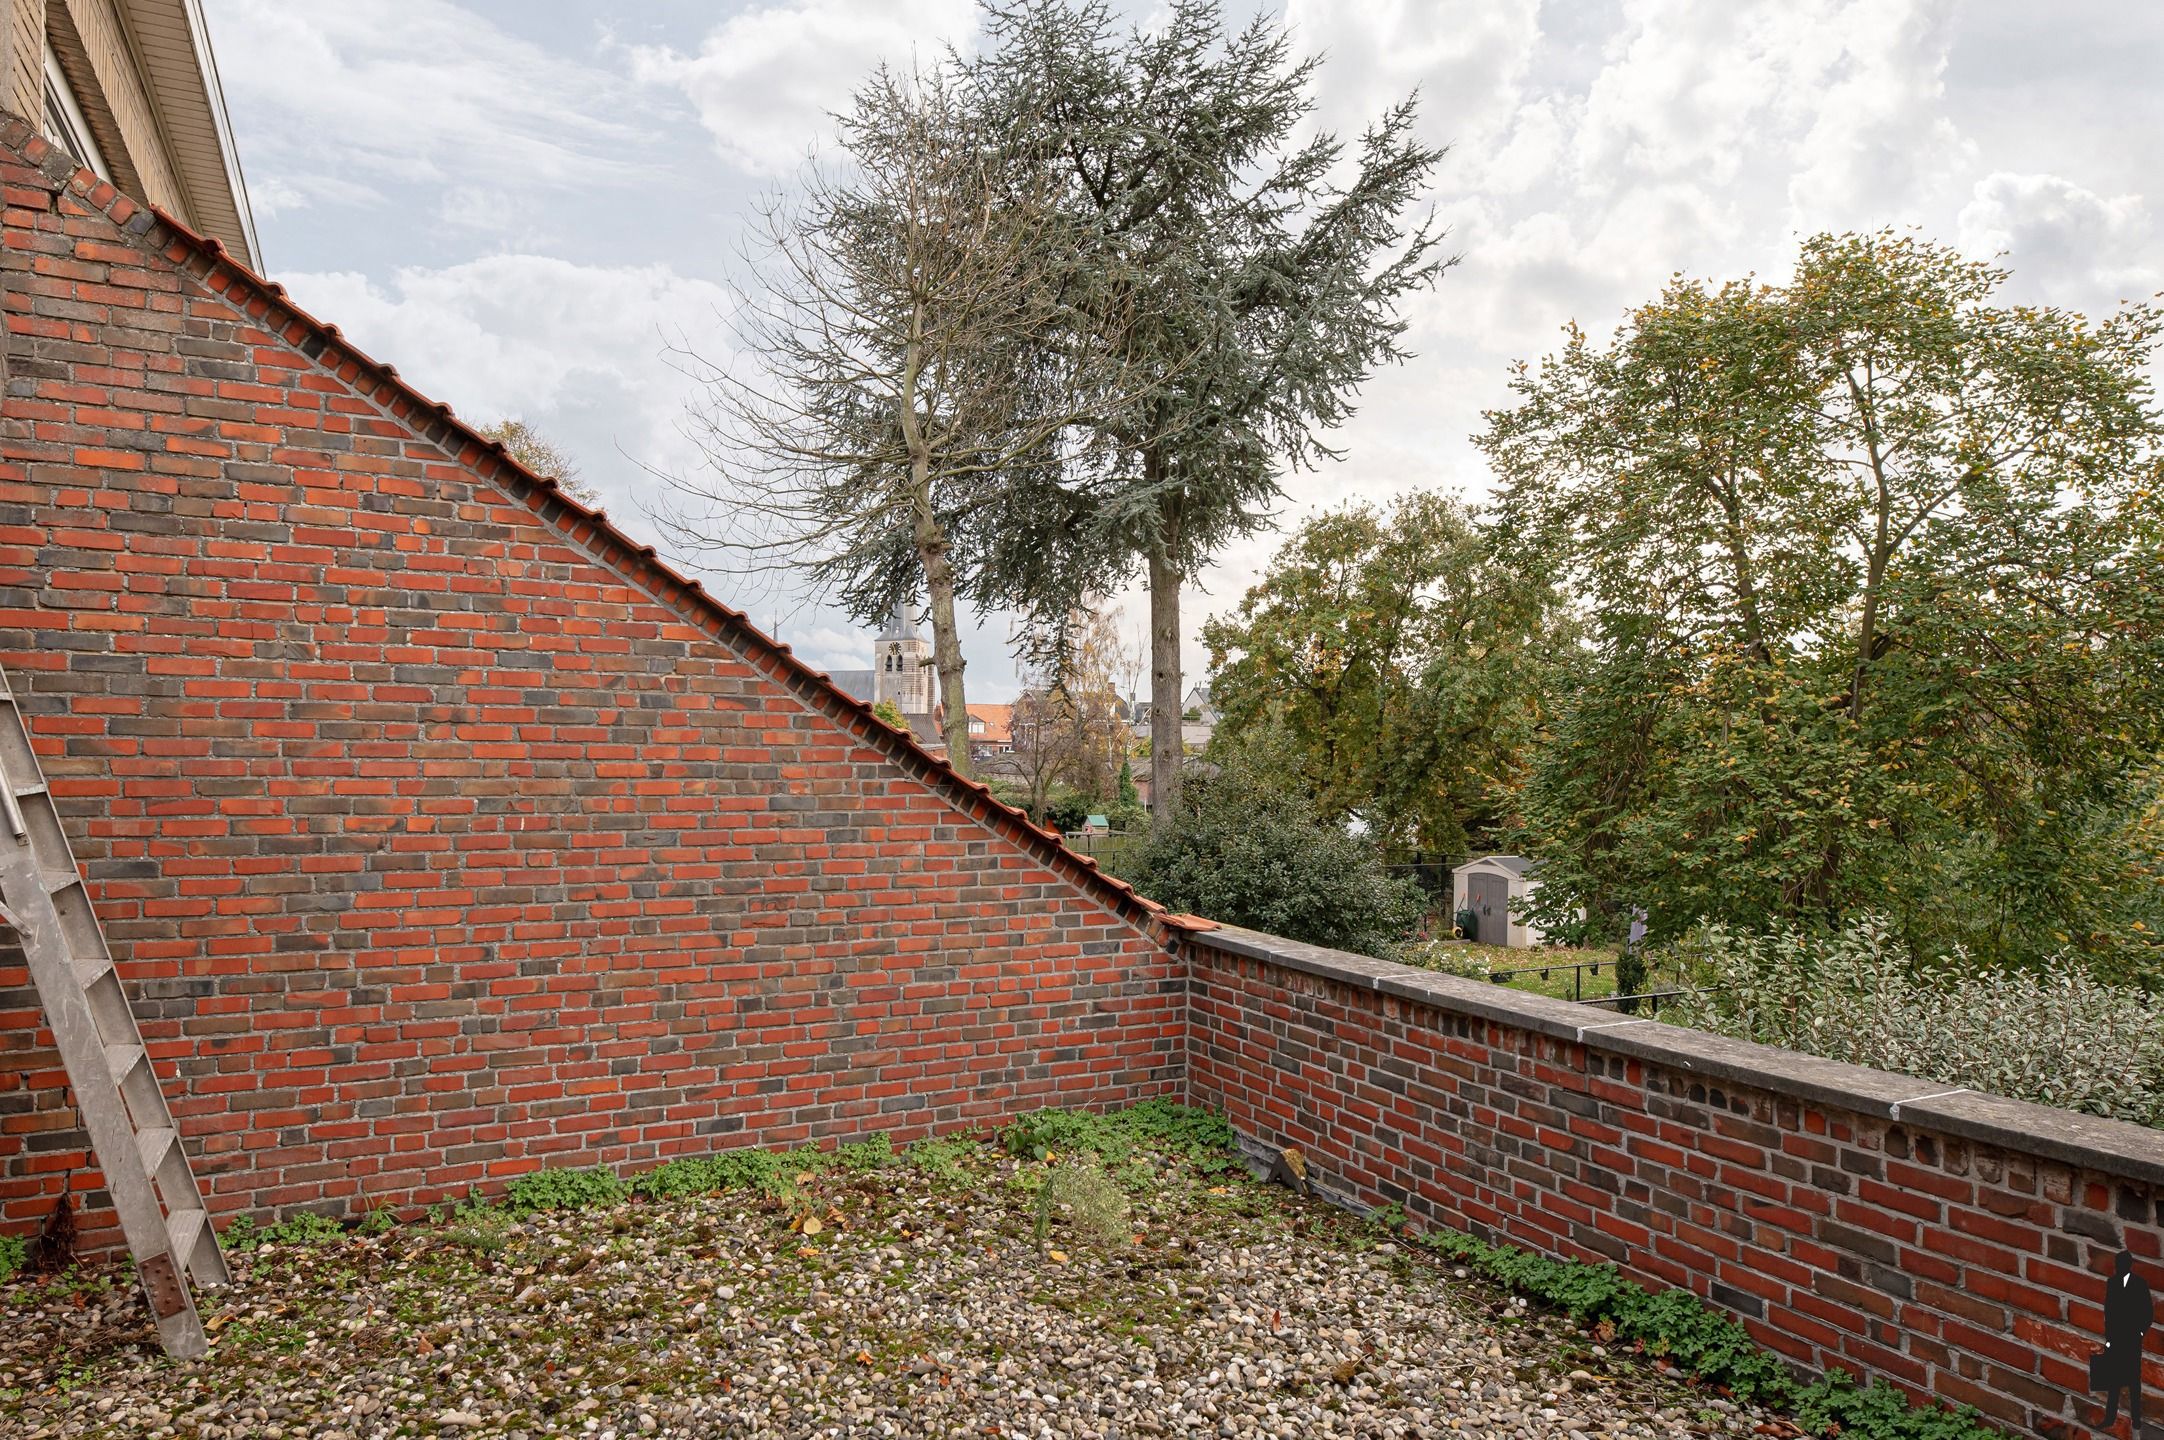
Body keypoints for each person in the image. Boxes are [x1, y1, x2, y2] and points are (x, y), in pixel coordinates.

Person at [2094, 1249, 2154, 1434]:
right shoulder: (2112, 1283)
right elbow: (2109, 1312)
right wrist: (2109, 1338)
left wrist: (2140, 1333)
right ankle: (2110, 1416)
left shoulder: (2139, 1284)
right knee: (2114, 1378)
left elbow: (2147, 1312)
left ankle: (2136, 1418)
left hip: (2132, 1338)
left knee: (2133, 1379)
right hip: (2116, 1338)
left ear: (2128, 1265)